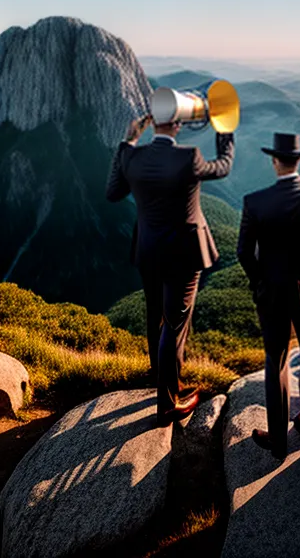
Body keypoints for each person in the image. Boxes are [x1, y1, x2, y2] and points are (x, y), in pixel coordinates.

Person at [106, 113, 234, 425]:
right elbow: (223, 166)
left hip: (148, 250)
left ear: (151, 122)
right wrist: (225, 131)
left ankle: (163, 381)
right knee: (175, 324)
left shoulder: (131, 155)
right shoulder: (188, 156)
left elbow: (113, 192)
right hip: (184, 253)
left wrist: (128, 140)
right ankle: (167, 403)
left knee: (156, 317)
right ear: (177, 124)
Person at [236, 132, 300, 459]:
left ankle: (278, 440)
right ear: (299, 160)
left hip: (274, 291)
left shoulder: (255, 202)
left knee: (276, 360)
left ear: (275, 160)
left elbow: (243, 253)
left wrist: (261, 281)